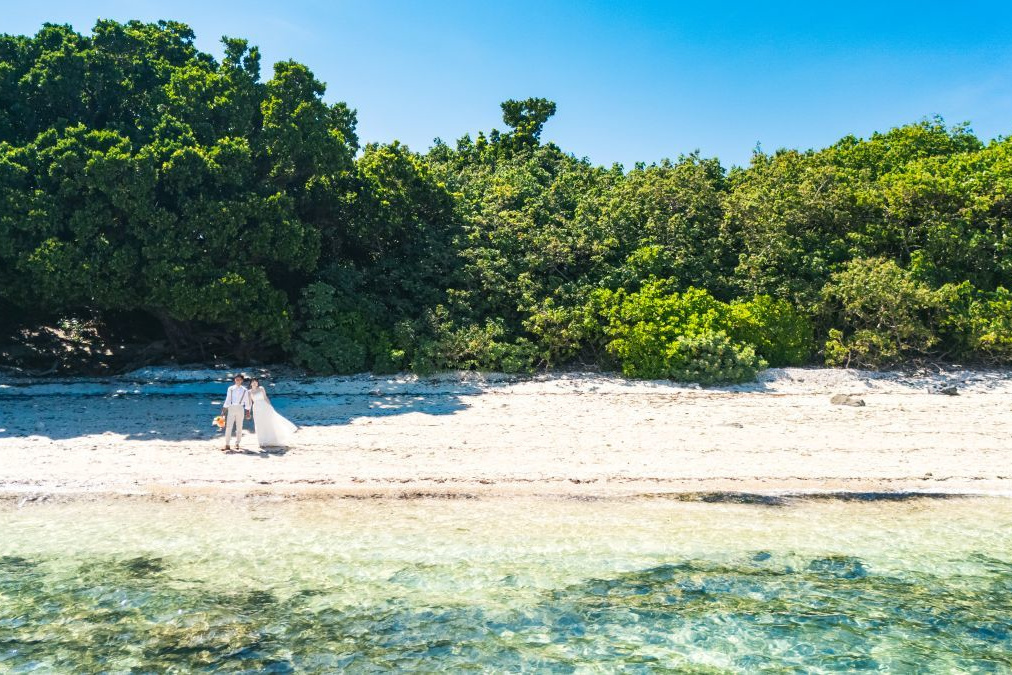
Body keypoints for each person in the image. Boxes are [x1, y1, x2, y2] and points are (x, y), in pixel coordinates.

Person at [249, 379, 298, 449]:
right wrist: (248, 411)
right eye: (253, 382)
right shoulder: (249, 392)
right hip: (256, 408)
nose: (254, 383)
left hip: (264, 406)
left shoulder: (261, 388)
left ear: (257, 383)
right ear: (250, 384)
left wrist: (270, 406)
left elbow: (265, 397)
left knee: (269, 422)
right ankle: (262, 441)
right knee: (259, 424)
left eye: (256, 382)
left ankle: (272, 440)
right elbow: (250, 402)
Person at [221, 374, 251, 452]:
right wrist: (224, 410)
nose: (238, 381)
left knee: (239, 427)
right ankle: (227, 444)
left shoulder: (245, 390)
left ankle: (237, 443)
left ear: (242, 381)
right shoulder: (230, 388)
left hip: (240, 408)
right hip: (231, 408)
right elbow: (228, 399)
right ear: (234, 380)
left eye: (239, 379)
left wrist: (248, 412)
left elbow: (247, 401)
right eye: (236, 379)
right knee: (228, 426)